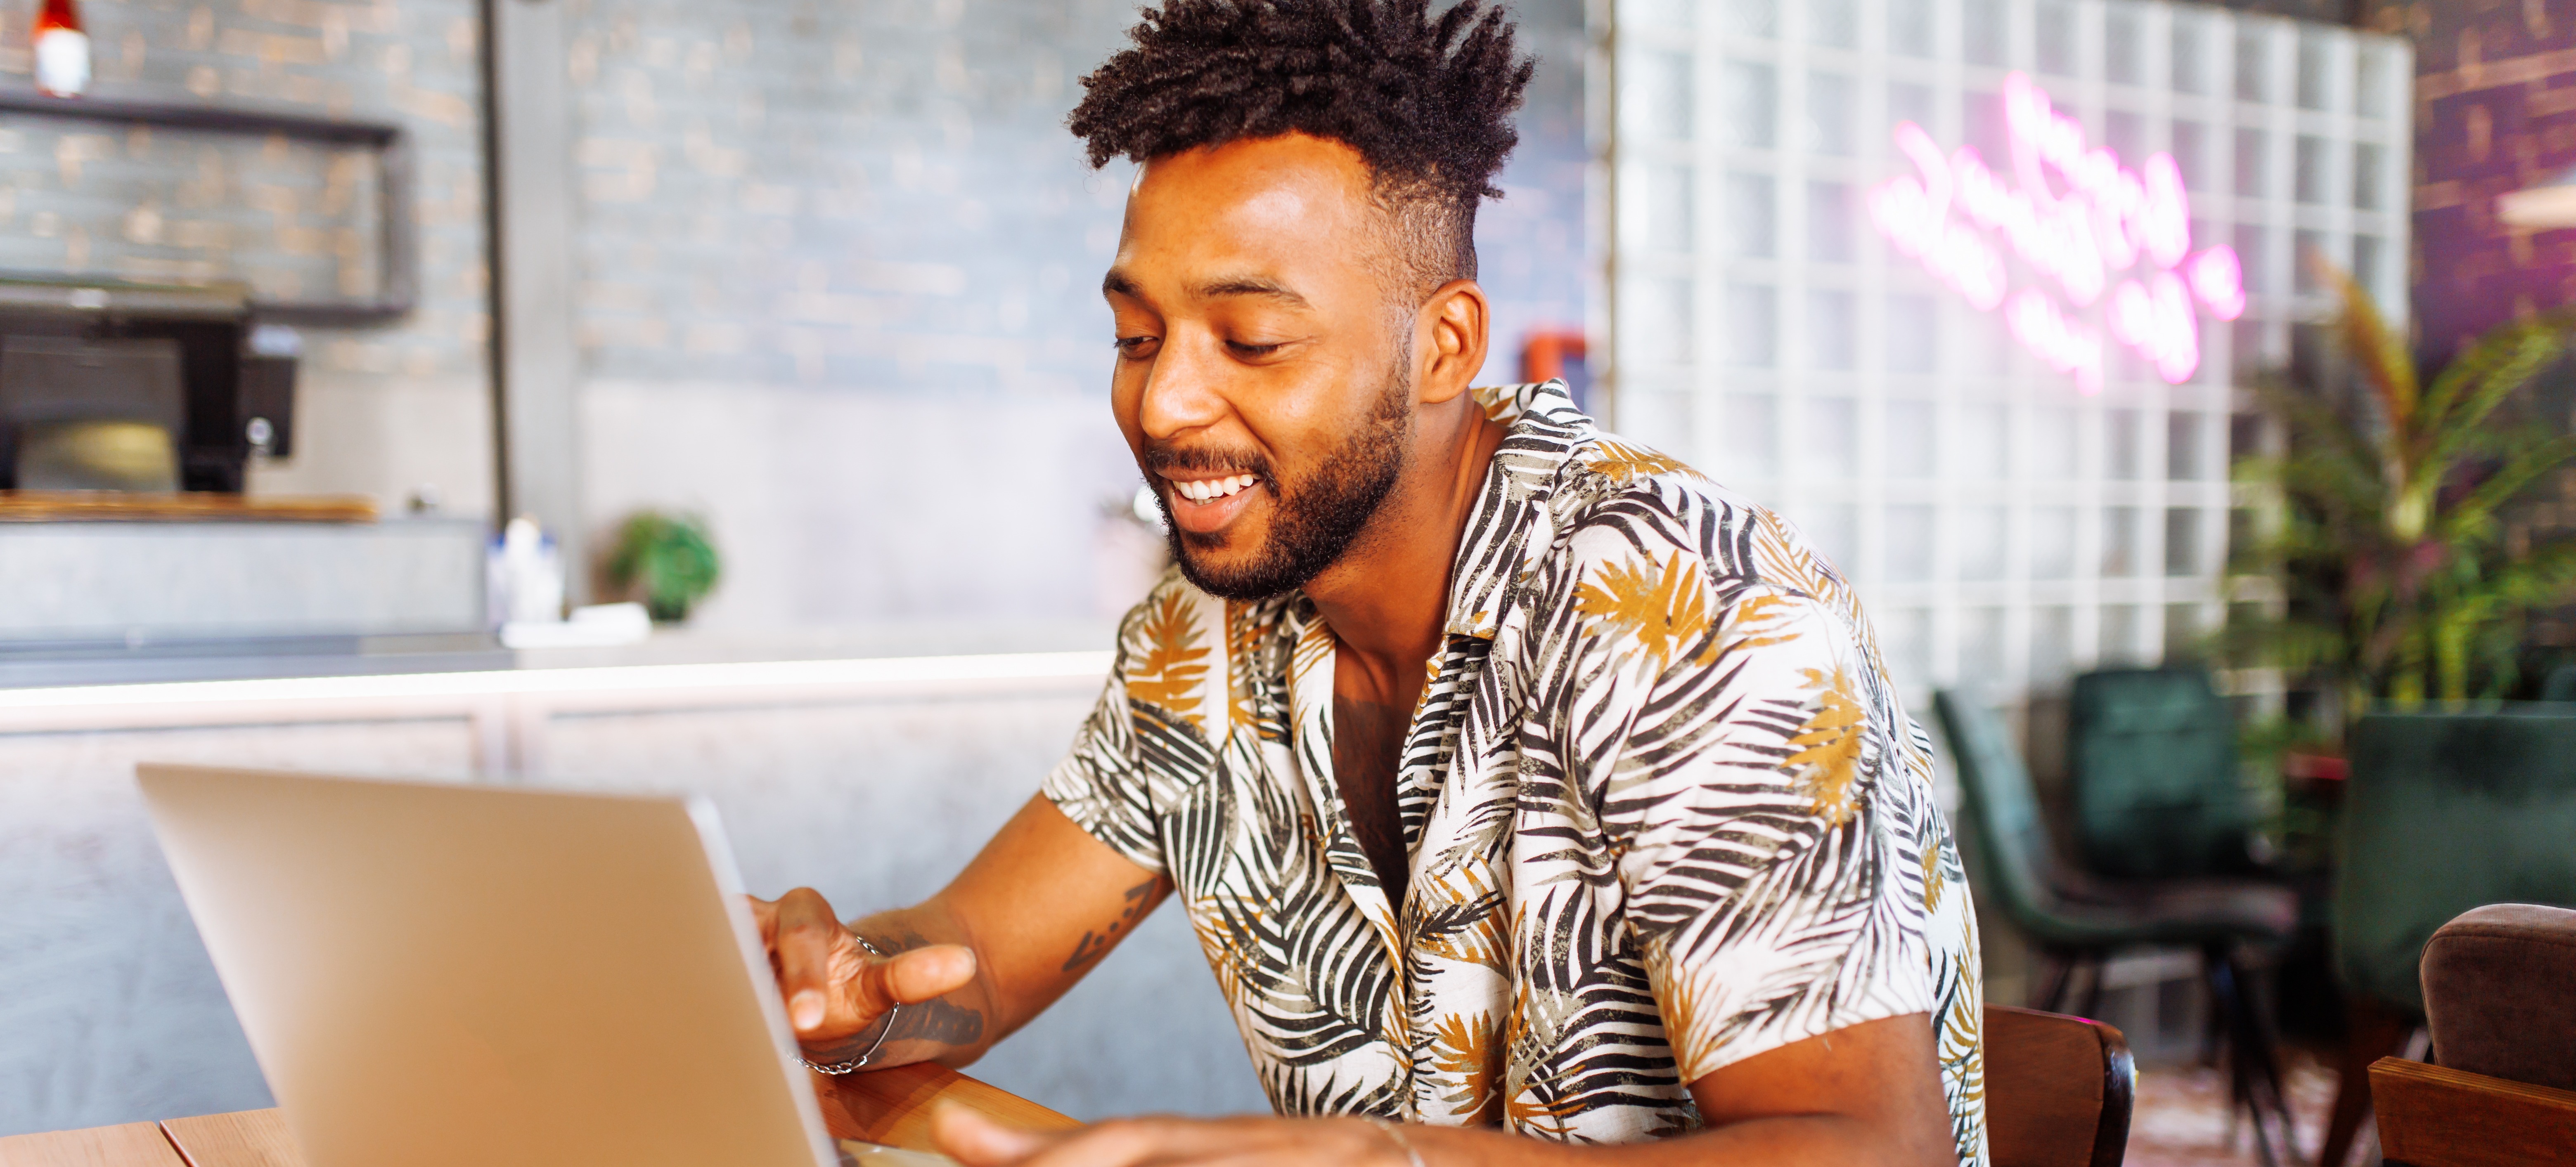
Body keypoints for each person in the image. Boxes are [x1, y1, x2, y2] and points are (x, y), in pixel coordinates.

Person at [750, 2, 1986, 1164]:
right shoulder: (1207, 629)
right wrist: (845, 989)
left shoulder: (1687, 611)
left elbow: (1875, 1151)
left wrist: (1367, 1152)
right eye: (1136, 337)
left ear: (1444, 346)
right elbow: (975, 951)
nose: (1164, 402)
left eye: (1252, 340)